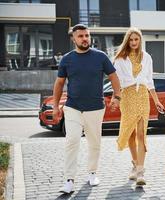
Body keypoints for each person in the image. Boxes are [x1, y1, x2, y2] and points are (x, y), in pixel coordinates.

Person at [52, 24, 121, 194]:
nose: (85, 39)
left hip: (95, 108)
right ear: (73, 39)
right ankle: (69, 180)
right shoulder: (67, 59)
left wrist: (117, 97)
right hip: (73, 107)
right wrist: (55, 106)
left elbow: (113, 76)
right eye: (81, 36)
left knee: (94, 143)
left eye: (87, 35)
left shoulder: (100, 57)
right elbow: (59, 83)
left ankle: (92, 173)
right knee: (72, 141)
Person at [113, 27, 164, 187]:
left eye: (136, 39)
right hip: (127, 97)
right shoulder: (120, 59)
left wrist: (156, 100)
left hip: (142, 96)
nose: (134, 42)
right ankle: (135, 163)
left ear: (140, 40)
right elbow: (118, 82)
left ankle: (141, 171)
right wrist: (116, 98)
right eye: (131, 39)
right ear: (127, 41)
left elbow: (149, 81)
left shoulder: (147, 57)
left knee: (141, 134)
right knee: (130, 133)